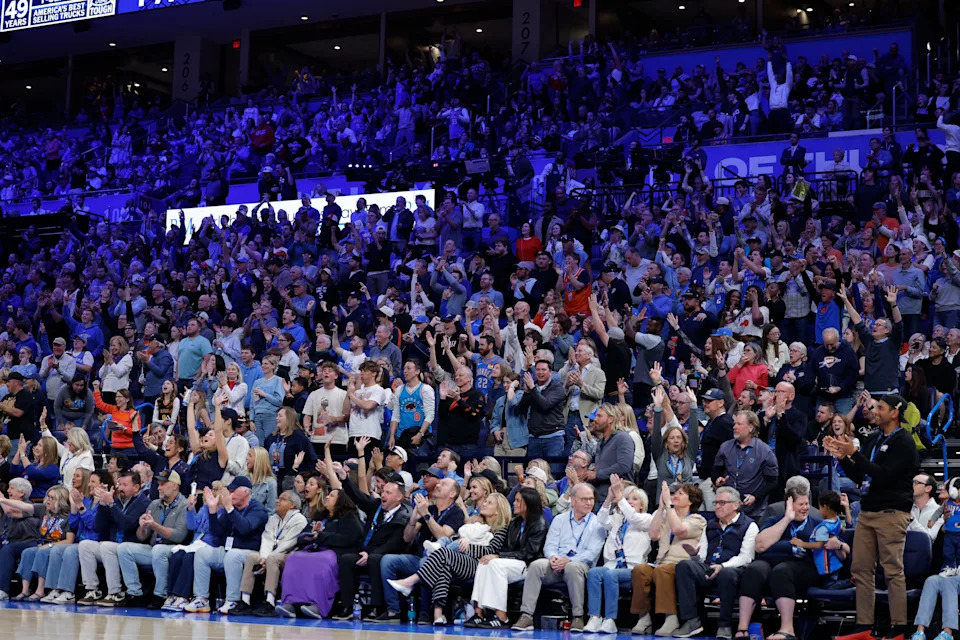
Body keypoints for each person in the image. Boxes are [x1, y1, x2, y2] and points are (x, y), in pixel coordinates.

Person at [828, 393, 920, 640]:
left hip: (891, 512)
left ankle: (899, 627)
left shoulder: (904, 442)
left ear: (894, 412)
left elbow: (883, 475)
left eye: (880, 407)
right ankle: (864, 626)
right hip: (868, 512)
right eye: (874, 406)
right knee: (860, 569)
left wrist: (853, 453)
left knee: (892, 570)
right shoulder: (873, 439)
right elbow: (861, 476)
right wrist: (843, 457)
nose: (874, 410)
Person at [386, 492, 512, 626]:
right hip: (461, 560)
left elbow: (490, 550)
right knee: (444, 565)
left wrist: (469, 547)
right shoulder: (476, 522)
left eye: (489, 503)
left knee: (442, 554)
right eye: (486, 501)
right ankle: (438, 615)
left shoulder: (500, 529)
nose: (484, 504)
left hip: (480, 565)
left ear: (498, 511)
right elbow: (457, 538)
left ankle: (411, 581)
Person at [324, 440, 411, 620]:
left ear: (399, 497)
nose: (383, 495)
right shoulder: (377, 505)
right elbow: (358, 497)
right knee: (346, 559)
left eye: (388, 493)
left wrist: (369, 553)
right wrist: (344, 478)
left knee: (375, 559)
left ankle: (376, 607)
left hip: (385, 553)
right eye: (383, 491)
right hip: (366, 550)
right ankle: (347, 606)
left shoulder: (404, 514)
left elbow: (394, 543)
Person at [511, 483, 607, 632]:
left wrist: (569, 560)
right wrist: (553, 558)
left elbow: (592, 553)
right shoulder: (560, 519)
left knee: (572, 567)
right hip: (556, 565)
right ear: (573, 501)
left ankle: (578, 617)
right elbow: (549, 545)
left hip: (581, 565)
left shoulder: (597, 524)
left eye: (591, 499)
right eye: (584, 499)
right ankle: (527, 615)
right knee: (537, 565)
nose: (589, 503)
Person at [372, 476, 465, 622]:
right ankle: (393, 611)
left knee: (425, 563)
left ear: (452, 494)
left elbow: (443, 534)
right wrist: (413, 518)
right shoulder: (431, 509)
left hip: (441, 563)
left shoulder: (456, 513)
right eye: (439, 482)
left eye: (444, 484)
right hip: (418, 556)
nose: (438, 484)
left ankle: (425, 613)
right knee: (387, 560)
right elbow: (407, 538)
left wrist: (426, 514)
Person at [736, 487, 822, 640]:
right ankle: (743, 627)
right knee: (754, 570)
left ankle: (787, 629)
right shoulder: (774, 521)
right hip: (770, 565)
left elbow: (836, 548)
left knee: (782, 571)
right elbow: (760, 545)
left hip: (804, 569)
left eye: (806, 504)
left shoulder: (816, 524)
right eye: (800, 504)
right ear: (788, 505)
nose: (805, 508)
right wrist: (787, 519)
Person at [275, 483, 364, 619]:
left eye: (331, 496)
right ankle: (291, 603)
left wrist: (322, 535)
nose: (327, 497)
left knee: (321, 562)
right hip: (314, 549)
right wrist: (311, 535)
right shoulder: (319, 516)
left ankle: (318, 605)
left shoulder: (349, 517)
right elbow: (300, 538)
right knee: (294, 558)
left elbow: (351, 538)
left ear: (341, 500)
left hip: (334, 552)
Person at [464, 487, 548, 628]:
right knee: (484, 561)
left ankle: (502, 617)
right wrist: (495, 556)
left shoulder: (540, 524)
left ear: (527, 504)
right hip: (513, 563)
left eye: (517, 501)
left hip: (528, 565)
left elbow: (529, 553)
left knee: (495, 563)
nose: (513, 503)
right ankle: (478, 613)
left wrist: (499, 555)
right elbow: (507, 548)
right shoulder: (515, 523)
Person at [632, 481, 708, 636]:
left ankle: (671, 618)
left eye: (680, 494)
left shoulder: (697, 519)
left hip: (680, 565)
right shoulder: (666, 515)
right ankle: (644, 617)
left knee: (663, 570)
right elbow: (653, 535)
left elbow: (679, 530)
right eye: (673, 493)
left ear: (691, 500)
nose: (674, 496)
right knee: (640, 569)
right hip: (661, 562)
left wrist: (669, 506)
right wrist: (661, 508)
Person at [184, 476, 270, 613]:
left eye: (233, 491)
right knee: (202, 553)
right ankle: (202, 599)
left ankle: (232, 600)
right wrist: (212, 510)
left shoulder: (257, 509)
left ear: (246, 492)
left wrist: (229, 508)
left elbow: (245, 528)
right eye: (229, 491)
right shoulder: (231, 509)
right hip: (228, 550)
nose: (230, 494)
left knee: (232, 555)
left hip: (249, 552)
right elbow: (217, 531)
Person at [584, 475, 652, 633]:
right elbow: (600, 519)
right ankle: (594, 617)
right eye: (627, 498)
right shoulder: (617, 519)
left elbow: (633, 517)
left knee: (610, 575)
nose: (629, 501)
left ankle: (610, 619)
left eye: (634, 499)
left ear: (642, 505)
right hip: (612, 565)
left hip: (633, 568)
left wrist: (620, 497)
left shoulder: (646, 519)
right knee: (594, 573)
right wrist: (609, 496)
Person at [115, 469, 189, 608]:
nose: (159, 487)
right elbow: (141, 537)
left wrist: (155, 526)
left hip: (174, 549)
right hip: (154, 547)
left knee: (159, 550)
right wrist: (143, 526)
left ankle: (160, 594)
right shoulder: (155, 504)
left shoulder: (184, 505)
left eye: (163, 484)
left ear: (174, 485)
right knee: (124, 548)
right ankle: (134, 593)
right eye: (158, 484)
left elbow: (179, 536)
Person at [227, 490, 307, 616]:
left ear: (292, 505)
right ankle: (245, 601)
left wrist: (269, 557)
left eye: (282, 499)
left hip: (289, 554)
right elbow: (267, 538)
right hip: (270, 554)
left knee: (273, 559)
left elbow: (289, 542)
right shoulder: (273, 518)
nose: (277, 501)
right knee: (251, 557)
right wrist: (263, 557)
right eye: (278, 498)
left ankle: (270, 602)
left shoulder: (299, 520)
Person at [77, 470, 151, 606]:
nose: (120, 488)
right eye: (119, 484)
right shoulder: (116, 500)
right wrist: (103, 505)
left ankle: (115, 592)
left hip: (129, 546)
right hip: (113, 546)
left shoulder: (143, 503)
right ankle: (92, 590)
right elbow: (99, 526)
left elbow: (127, 524)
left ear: (136, 487)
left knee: (106, 546)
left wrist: (111, 504)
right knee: (85, 545)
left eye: (125, 485)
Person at [712, 410, 779, 519]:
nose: (734, 427)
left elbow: (772, 482)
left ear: (751, 428)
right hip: (728, 511)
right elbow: (716, 471)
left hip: (754, 512)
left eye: (739, 424)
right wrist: (717, 480)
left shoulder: (765, 451)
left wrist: (755, 496)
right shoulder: (725, 447)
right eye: (734, 424)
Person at [12, 485, 73, 602]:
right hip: (43, 544)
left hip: (57, 547)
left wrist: (50, 545)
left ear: (60, 501)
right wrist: (4, 500)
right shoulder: (44, 510)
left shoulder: (68, 517)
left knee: (42, 553)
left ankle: (40, 591)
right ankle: (25, 590)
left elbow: (69, 540)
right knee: (27, 552)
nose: (48, 500)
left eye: (52, 498)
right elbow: (24, 506)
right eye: (48, 496)